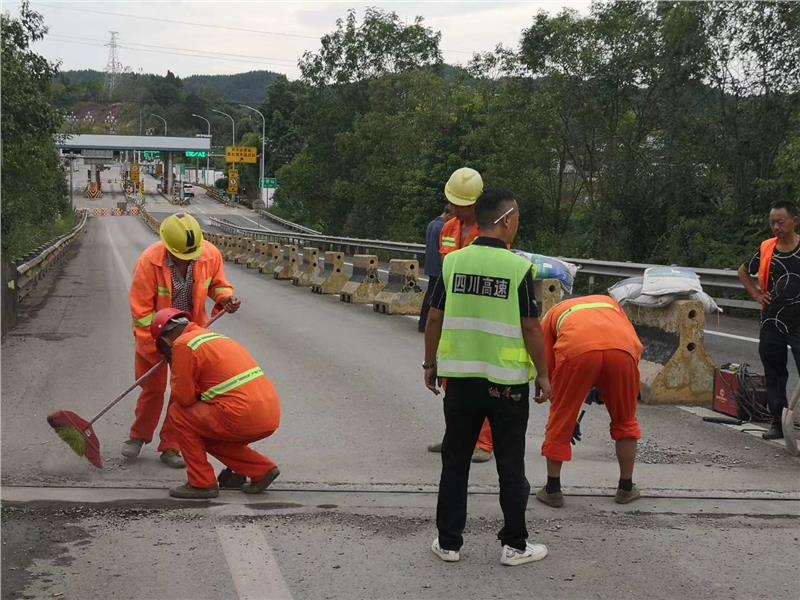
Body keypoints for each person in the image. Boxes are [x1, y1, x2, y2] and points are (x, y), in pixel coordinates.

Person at [424, 188, 551, 566]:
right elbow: (531, 327)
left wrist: (430, 364)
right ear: (506, 220)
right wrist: (543, 374)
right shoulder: (519, 268)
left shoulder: (453, 264)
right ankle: (514, 545)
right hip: (507, 385)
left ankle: (449, 543)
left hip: (460, 381)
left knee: (455, 460)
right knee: (511, 464)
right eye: (518, 219)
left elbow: (435, 317)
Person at [124, 212, 241, 467]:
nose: (186, 260)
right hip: (156, 336)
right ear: (167, 246)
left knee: (183, 394)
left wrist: (225, 298)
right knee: (152, 389)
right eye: (180, 256)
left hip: (190, 335)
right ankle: (139, 436)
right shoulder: (148, 262)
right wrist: (155, 345)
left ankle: (171, 445)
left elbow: (218, 284)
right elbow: (141, 313)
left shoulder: (209, 255)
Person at [148, 308, 281, 498]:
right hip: (268, 414)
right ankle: (261, 470)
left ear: (165, 341)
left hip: (241, 415)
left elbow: (184, 398)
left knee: (179, 413)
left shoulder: (183, 345)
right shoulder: (213, 338)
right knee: (204, 433)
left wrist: (179, 368)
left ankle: (201, 483)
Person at [535, 295, 643, 508]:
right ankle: (626, 488)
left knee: (561, 418)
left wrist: (568, 415)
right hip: (623, 351)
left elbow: (548, 370)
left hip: (577, 350)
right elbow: (633, 346)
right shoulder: (610, 303)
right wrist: (608, 386)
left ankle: (552, 490)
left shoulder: (550, 316)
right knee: (625, 419)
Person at [428, 167, 495, 463]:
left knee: (482, 381)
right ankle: (455, 437)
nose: (455, 208)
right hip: (454, 314)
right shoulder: (449, 229)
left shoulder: (490, 231)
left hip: (481, 315)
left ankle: (483, 443)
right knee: (452, 379)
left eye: (461, 203)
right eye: (453, 202)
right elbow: (446, 270)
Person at [738, 200, 800, 440]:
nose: (776, 227)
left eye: (781, 222)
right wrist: (756, 293)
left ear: (794, 220)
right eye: (772, 222)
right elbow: (743, 271)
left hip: (799, 323)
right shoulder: (767, 249)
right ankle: (777, 422)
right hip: (771, 322)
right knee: (774, 374)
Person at [418, 205, 452, 332]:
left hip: (430, 264)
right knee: (435, 298)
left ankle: (422, 323)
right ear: (448, 214)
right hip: (439, 265)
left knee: (429, 294)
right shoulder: (443, 227)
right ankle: (427, 325)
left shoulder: (432, 224)